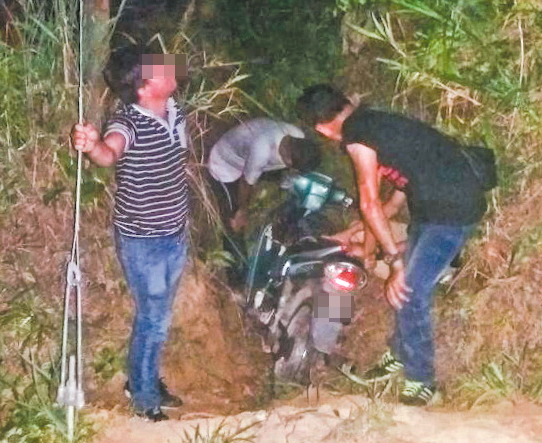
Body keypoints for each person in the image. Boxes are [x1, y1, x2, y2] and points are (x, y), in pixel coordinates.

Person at [297, 84, 490, 406]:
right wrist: (365, 250)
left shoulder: (357, 136)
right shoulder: (375, 123)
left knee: (408, 292)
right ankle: (400, 352)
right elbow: (384, 208)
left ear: (322, 128)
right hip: (433, 208)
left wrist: (394, 261)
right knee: (404, 285)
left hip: (452, 212)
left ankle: (422, 382)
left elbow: (369, 203)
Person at [71, 47, 189, 422]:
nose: (170, 68)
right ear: (143, 86)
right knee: (154, 318)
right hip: (143, 240)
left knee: (158, 315)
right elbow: (110, 153)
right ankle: (143, 396)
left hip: (175, 232)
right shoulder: (129, 123)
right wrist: (93, 146)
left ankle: (145, 379)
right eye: (160, 68)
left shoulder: (174, 110)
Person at [207, 117, 321, 285]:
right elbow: (246, 184)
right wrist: (242, 210)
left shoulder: (297, 136)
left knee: (277, 183)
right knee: (233, 223)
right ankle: (237, 279)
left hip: (253, 159)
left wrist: (287, 184)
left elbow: (287, 174)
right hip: (225, 165)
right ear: (289, 161)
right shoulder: (262, 149)